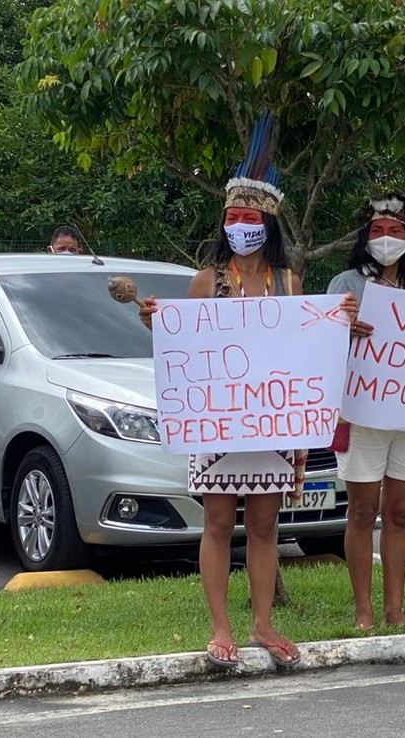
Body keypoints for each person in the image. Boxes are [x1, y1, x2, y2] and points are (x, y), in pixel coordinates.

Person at [138, 113, 356, 667]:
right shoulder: (205, 281)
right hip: (220, 423)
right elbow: (186, 347)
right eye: (233, 216)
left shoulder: (290, 284)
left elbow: (306, 347)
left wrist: (340, 320)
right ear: (224, 223)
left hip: (274, 424)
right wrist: (156, 324)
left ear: (269, 222)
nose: (241, 224)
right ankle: (219, 628)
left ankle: (261, 623)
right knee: (216, 524)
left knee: (264, 525)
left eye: (250, 216)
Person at [326, 194, 405, 632]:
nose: (386, 238)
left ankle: (394, 608)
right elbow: (317, 337)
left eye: (395, 231)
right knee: (361, 511)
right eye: (377, 231)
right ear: (364, 237)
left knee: (400, 513)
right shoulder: (344, 284)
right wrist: (342, 328)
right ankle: (363, 612)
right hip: (360, 410)